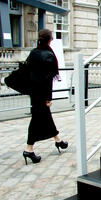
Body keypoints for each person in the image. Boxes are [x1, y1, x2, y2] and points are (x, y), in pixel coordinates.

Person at [23, 29, 68, 165]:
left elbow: (27, 71)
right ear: (50, 40)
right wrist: (49, 98)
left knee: (45, 117)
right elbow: (48, 79)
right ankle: (29, 149)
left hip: (34, 92)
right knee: (37, 119)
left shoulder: (34, 53)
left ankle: (58, 141)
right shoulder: (48, 55)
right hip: (42, 93)